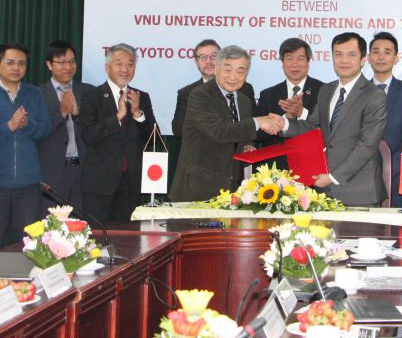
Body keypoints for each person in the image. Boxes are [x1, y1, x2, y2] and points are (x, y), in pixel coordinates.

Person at [278, 32, 387, 206]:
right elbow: (312, 127)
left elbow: (367, 145)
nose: (344, 60)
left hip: (359, 193)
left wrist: (333, 177)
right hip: (324, 192)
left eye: (351, 55)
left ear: (362, 59)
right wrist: (282, 124)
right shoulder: (327, 90)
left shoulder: (375, 96)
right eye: (338, 54)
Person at [170, 46, 281, 202]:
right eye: (227, 70)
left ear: (246, 74)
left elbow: (239, 134)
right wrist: (258, 121)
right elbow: (218, 131)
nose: (233, 77)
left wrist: (247, 146)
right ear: (216, 68)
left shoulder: (244, 101)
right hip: (197, 190)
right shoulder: (200, 95)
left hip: (231, 190)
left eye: (240, 72)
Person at [0, 43, 52, 252]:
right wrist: (8, 126)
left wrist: (26, 125)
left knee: (26, 242)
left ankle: (24, 285)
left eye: (21, 64)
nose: (16, 68)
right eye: (10, 62)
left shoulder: (34, 94)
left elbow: (45, 130)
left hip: (28, 183)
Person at [77, 43, 158, 222]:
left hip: (131, 182)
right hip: (99, 183)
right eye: (119, 64)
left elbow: (154, 138)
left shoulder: (141, 97)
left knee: (127, 241)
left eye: (130, 64)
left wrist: (138, 113)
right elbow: (88, 135)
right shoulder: (92, 96)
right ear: (107, 67)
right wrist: (118, 116)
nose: (125, 69)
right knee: (98, 240)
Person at [37, 40, 94, 208]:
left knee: (81, 225)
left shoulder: (89, 92)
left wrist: (76, 115)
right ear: (49, 64)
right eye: (61, 62)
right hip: (52, 171)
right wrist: (61, 113)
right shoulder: (38, 94)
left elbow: (93, 131)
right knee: (51, 226)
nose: (68, 67)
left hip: (83, 169)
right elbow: (38, 131)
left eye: (71, 61)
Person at [368, 32, 402, 207]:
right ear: (368, 58)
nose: (381, 57)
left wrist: (390, 167)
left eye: (387, 52)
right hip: (363, 177)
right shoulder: (358, 92)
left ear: (396, 58)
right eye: (376, 52)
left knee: (398, 231)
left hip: (399, 176)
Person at [256, 38, 325, 171]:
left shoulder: (324, 91)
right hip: (277, 169)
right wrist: (283, 119)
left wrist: (301, 112)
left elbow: (328, 128)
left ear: (308, 62)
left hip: (313, 167)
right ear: (282, 63)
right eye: (289, 58)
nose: (295, 65)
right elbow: (258, 135)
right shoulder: (268, 94)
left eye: (300, 58)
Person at [173, 38, 255, 137]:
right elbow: (178, 130)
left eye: (213, 56)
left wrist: (248, 144)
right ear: (196, 62)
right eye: (203, 57)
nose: (209, 61)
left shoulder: (244, 88)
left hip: (237, 151)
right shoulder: (187, 93)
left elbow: (252, 125)